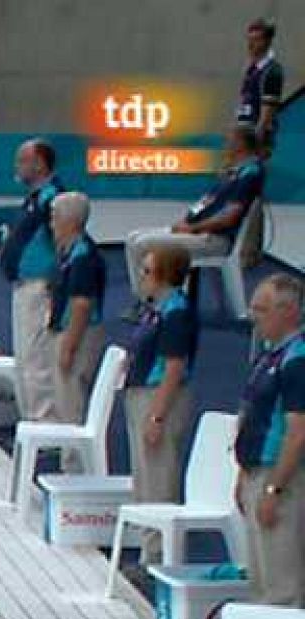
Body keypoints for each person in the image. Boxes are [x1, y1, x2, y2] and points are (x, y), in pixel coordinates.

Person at [234, 275, 305, 619]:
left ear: (287, 312)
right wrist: (242, 476)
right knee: (260, 573)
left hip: (283, 479)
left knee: (282, 577)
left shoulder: (297, 360)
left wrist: (275, 489)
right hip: (257, 472)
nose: (254, 318)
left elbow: (298, 432)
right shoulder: (271, 354)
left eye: (261, 310)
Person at [121, 244, 198, 575]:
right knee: (144, 478)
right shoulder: (156, 308)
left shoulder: (177, 311)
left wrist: (157, 416)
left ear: (166, 275)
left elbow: (174, 368)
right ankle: (147, 551)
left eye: (148, 271)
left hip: (160, 398)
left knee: (158, 481)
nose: (142, 277)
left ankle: (158, 557)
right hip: (141, 395)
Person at [124, 126, 265, 299]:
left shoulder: (250, 173)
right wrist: (185, 221)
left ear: (241, 144)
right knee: (132, 238)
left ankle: (149, 301)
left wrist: (192, 228)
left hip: (214, 239)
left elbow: (229, 217)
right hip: (197, 230)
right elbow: (205, 202)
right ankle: (143, 297)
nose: (225, 144)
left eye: (229, 140)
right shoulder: (231, 172)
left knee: (142, 244)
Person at [0, 139, 64, 420]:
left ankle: (44, 423)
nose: (17, 167)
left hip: (40, 287)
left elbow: (63, 243)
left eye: (22, 161)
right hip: (25, 285)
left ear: (39, 163)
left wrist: (54, 282)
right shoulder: (36, 198)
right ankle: (32, 421)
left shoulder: (54, 200)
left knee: (37, 359)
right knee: (25, 358)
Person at [47, 192, 109, 441]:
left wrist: (69, 348)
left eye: (54, 218)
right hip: (69, 331)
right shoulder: (71, 251)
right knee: (64, 400)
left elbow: (82, 306)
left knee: (71, 402)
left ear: (68, 221)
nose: (51, 225)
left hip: (79, 335)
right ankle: (69, 460)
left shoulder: (83, 257)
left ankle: (74, 466)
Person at [237, 18, 285, 155]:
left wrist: (257, 138)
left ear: (267, 42)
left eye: (256, 40)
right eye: (249, 39)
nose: (250, 45)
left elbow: (268, 110)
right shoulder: (251, 69)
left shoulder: (272, 71)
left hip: (256, 138)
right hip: (244, 133)